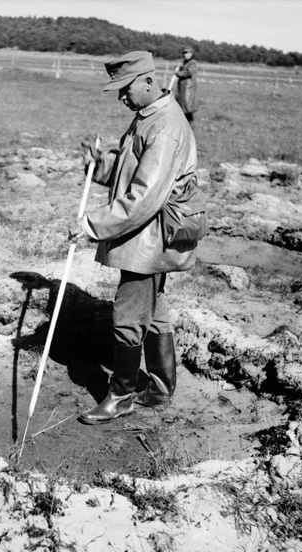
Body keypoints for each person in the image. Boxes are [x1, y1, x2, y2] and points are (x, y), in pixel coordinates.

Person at [70, 51, 199, 425]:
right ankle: (159, 388)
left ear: (147, 80)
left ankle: (122, 394)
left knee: (128, 314)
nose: (121, 97)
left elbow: (144, 198)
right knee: (153, 313)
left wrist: (90, 225)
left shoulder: (166, 127)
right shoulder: (146, 117)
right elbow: (129, 175)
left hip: (150, 237)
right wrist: (102, 163)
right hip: (147, 234)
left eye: (125, 89)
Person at [174, 47, 198, 125]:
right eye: (184, 53)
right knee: (181, 106)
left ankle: (189, 124)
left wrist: (179, 73)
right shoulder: (185, 62)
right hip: (182, 88)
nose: (185, 55)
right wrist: (179, 68)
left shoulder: (192, 63)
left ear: (191, 53)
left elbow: (188, 73)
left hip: (188, 88)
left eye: (186, 53)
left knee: (187, 106)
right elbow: (183, 69)